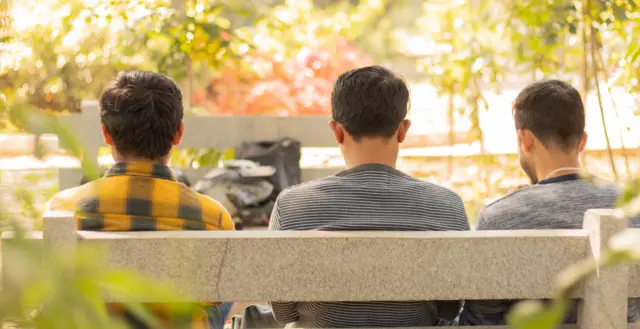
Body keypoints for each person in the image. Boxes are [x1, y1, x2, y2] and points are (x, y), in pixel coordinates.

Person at [268, 65, 470, 328]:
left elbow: (283, 313)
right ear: (403, 130)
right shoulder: (447, 206)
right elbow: (449, 307)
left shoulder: (292, 206)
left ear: (337, 131)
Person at [46, 71, 235, 329]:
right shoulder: (213, 216)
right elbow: (216, 294)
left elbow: (52, 289)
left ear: (106, 134)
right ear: (178, 133)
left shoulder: (64, 208)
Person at [458, 79, 640, 325]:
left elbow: (482, 320)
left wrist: (514, 202)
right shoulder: (632, 206)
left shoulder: (499, 217)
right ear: (583, 141)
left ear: (525, 139)